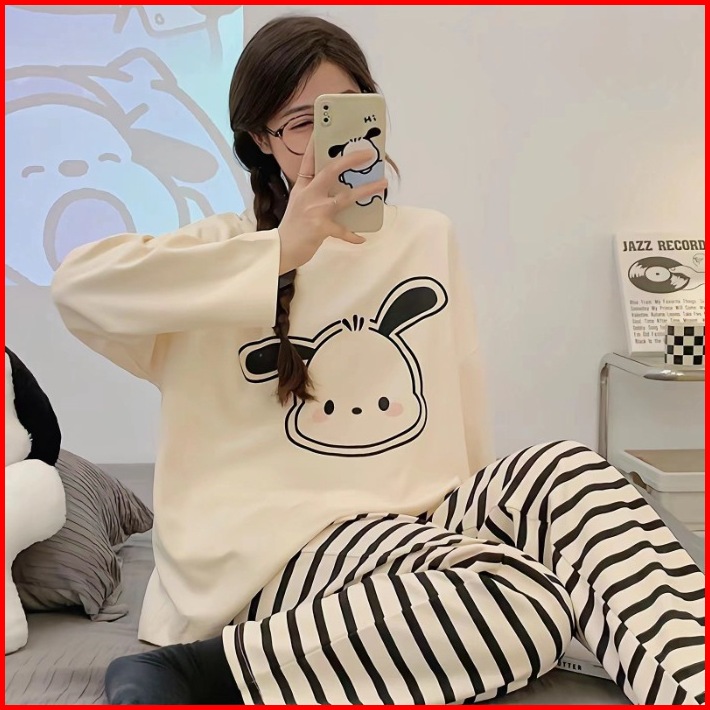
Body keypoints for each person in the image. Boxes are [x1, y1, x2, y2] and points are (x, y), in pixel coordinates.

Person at [52, 15, 704, 707]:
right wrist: (279, 251)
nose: (330, 142)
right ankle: (200, 672)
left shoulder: (427, 238)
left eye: (348, 113)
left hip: (419, 527)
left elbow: (457, 407)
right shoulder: (222, 251)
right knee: (528, 604)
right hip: (279, 557)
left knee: (570, 470)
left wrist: (488, 531)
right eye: (301, 124)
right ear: (260, 140)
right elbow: (78, 288)